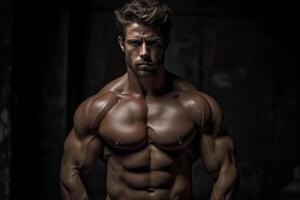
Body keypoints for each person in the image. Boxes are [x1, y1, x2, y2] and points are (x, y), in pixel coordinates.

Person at [60, 0, 238, 199]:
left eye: (152, 43)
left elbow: (225, 171)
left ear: (166, 43)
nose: (144, 53)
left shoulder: (196, 107)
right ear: (122, 44)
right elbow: (70, 172)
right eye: (135, 43)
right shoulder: (100, 108)